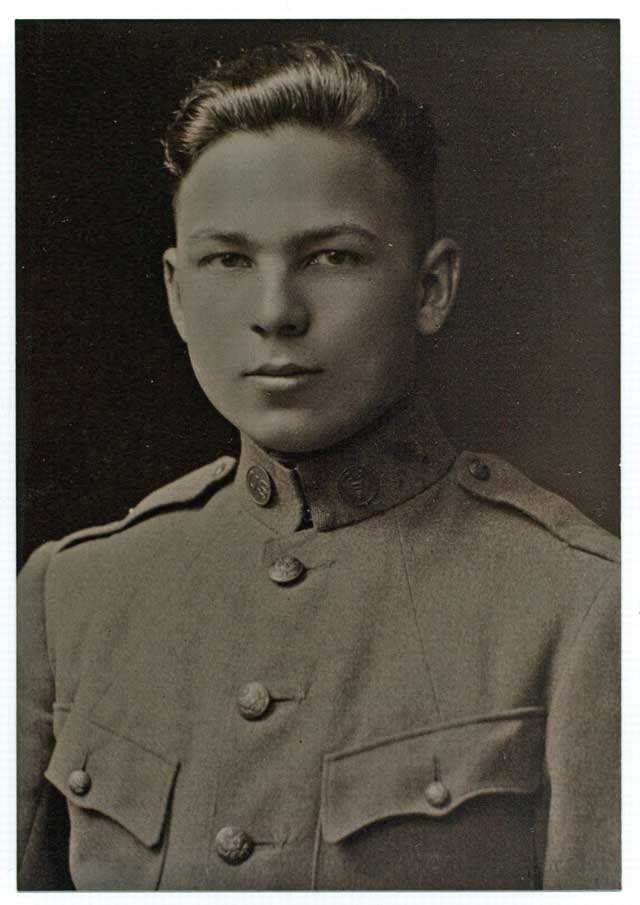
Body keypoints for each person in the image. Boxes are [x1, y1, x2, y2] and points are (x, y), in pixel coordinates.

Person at [17, 40, 620, 891]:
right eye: (229, 259)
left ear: (430, 288)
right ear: (178, 294)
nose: (276, 313)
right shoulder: (68, 596)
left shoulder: (583, 604)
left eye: (332, 256)